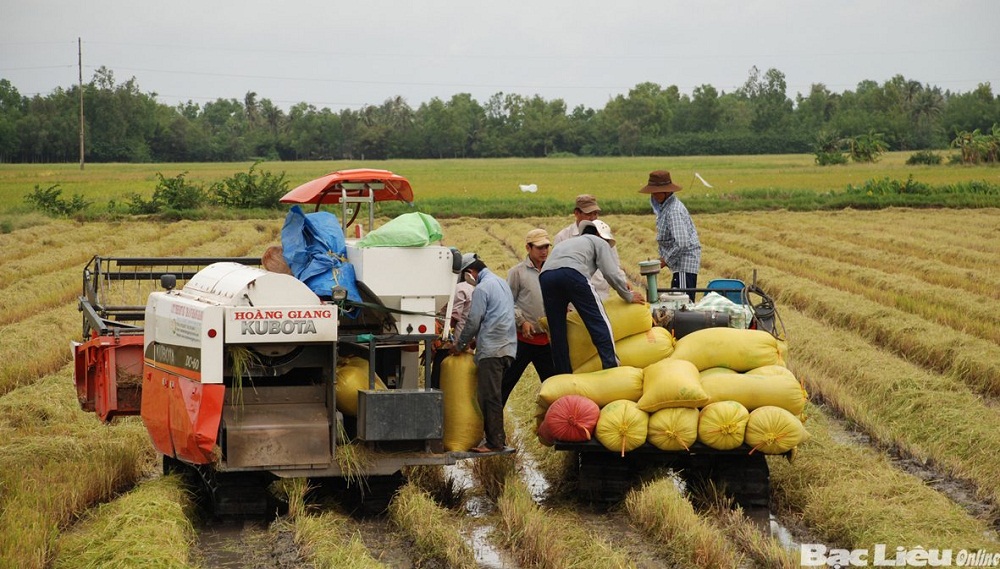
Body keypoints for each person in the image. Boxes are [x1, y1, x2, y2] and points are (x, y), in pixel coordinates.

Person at [540, 220, 646, 374]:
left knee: (557, 331)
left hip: (546, 277)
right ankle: (611, 366)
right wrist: (627, 295)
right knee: (598, 321)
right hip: (572, 273)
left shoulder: (569, 243)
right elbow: (610, 273)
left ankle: (563, 374)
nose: (607, 244)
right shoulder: (598, 241)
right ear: (599, 234)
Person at [450, 254, 517, 452]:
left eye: (466, 277)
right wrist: (474, 340)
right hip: (507, 347)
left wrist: (460, 344)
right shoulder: (501, 282)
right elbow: (497, 316)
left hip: (492, 349)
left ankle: (494, 442)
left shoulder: (481, 288)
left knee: (489, 396)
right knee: (493, 393)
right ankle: (496, 439)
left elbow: (473, 320)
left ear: (470, 273)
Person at [501, 228, 557, 406]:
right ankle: (490, 426)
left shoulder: (553, 270)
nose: (544, 251)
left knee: (554, 385)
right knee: (505, 383)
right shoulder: (517, 272)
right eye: (539, 247)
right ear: (528, 248)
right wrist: (522, 321)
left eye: (546, 247)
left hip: (546, 341)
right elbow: (508, 301)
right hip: (522, 340)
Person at [552, 194, 627, 301]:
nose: (593, 218)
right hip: (575, 298)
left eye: (595, 214)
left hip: (602, 294)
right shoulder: (563, 237)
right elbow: (557, 271)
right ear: (576, 213)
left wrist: (625, 285)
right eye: (588, 214)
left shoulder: (604, 235)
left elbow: (615, 266)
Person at [641, 170, 701, 301]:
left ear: (666, 191)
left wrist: (664, 260)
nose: (654, 195)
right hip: (678, 266)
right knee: (677, 302)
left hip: (684, 265)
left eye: (657, 192)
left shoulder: (673, 210)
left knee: (683, 304)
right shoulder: (665, 208)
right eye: (653, 192)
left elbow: (682, 243)